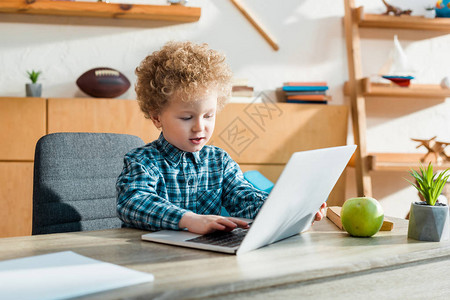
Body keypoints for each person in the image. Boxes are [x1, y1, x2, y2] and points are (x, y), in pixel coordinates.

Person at [116, 41, 326, 235]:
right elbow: (133, 203)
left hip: (209, 259)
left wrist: (290, 208)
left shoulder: (219, 161)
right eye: (187, 117)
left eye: (209, 115)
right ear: (156, 116)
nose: (200, 126)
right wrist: (188, 220)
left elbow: (245, 199)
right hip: (153, 259)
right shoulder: (142, 162)